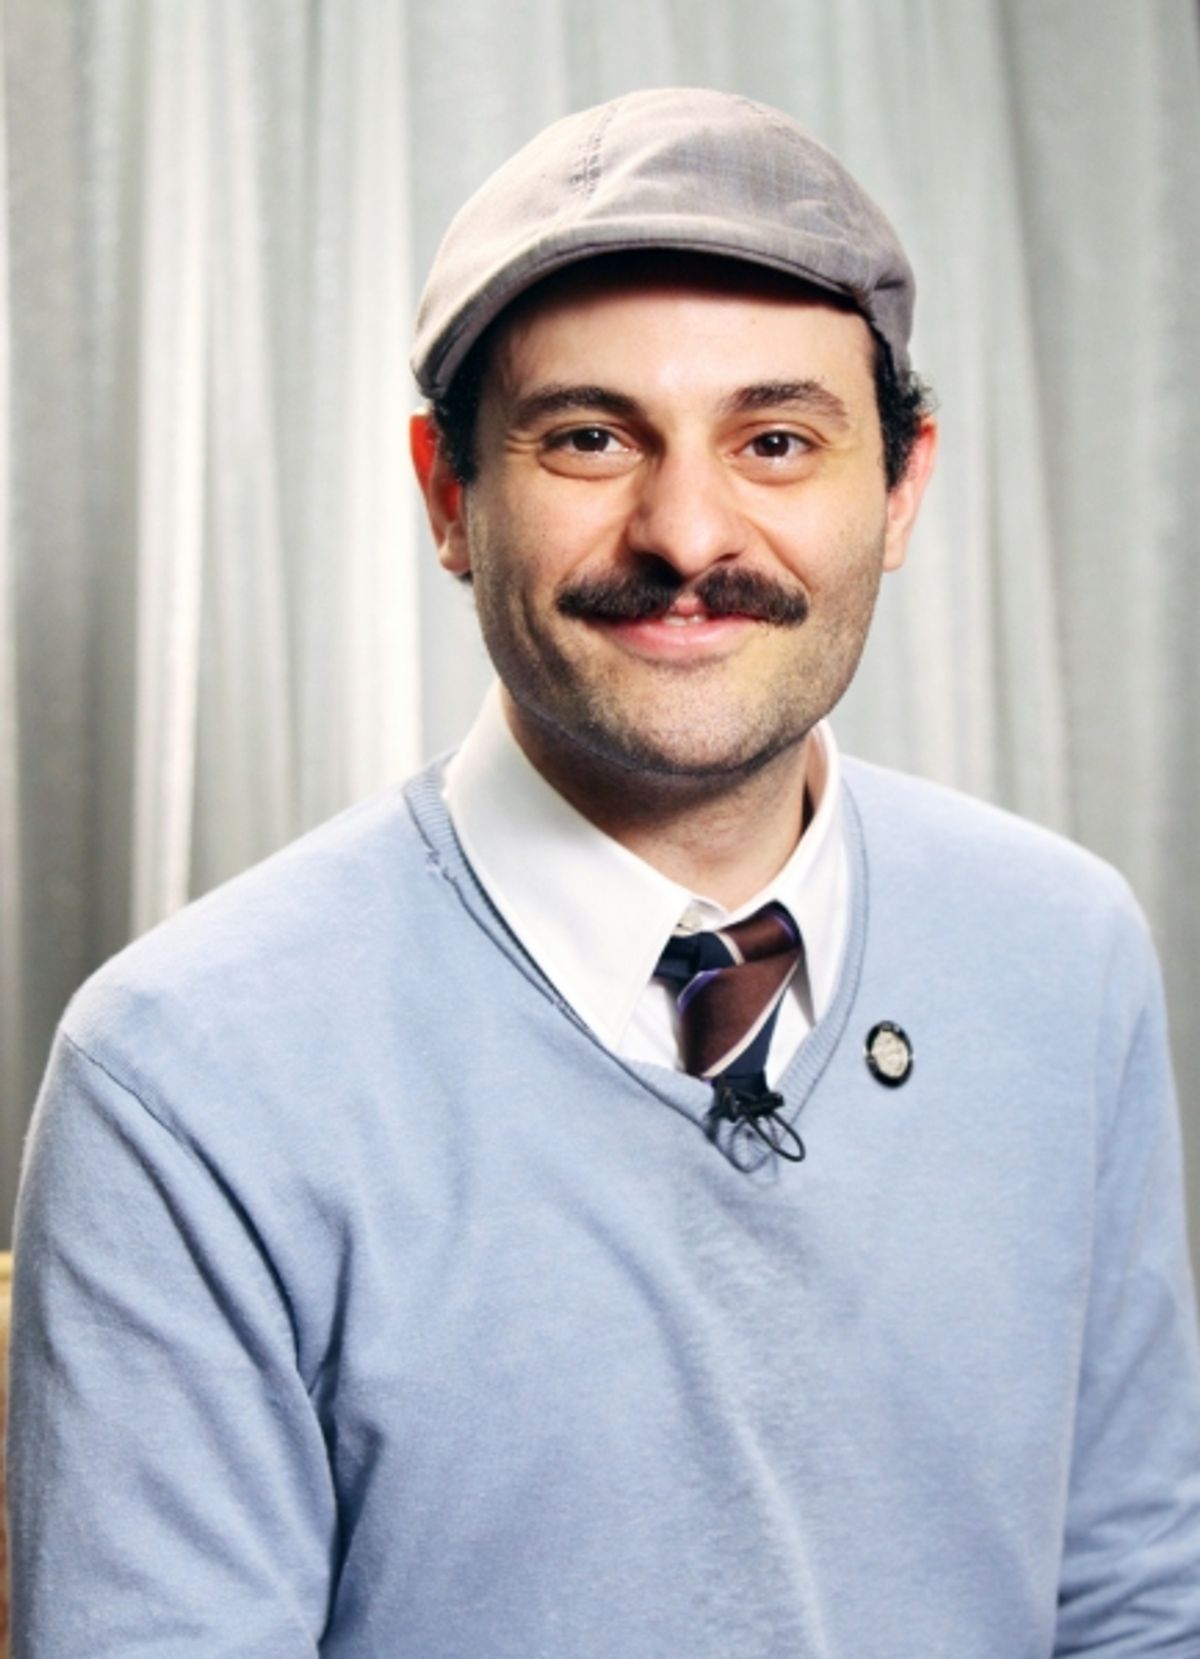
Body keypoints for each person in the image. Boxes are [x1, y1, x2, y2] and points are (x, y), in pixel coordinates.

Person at [8, 87, 1200, 1657]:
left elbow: (1127, 1604)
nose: (690, 528)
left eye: (777, 440)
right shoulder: (183, 1075)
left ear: (901, 491)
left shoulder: (1065, 952)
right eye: (588, 437)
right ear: (450, 495)